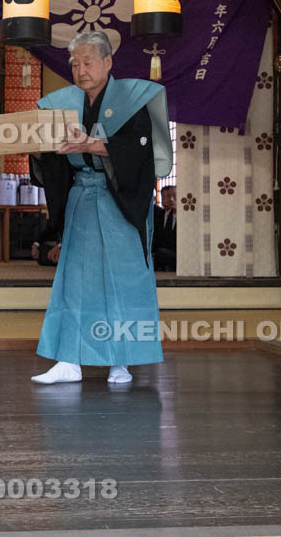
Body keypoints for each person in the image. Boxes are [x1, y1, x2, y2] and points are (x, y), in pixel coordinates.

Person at [29, 30, 173, 385]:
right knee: (74, 279)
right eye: (75, 63)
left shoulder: (132, 99)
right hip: (82, 196)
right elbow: (52, 158)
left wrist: (94, 145)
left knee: (123, 279)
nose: (80, 70)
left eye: (88, 62)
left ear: (108, 62)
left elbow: (139, 152)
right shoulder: (65, 102)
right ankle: (69, 360)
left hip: (120, 200)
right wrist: (40, 150)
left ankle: (120, 361)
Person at [152, 185, 177, 272]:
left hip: (179, 254)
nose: (170, 199)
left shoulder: (185, 217)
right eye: (168, 196)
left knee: (160, 253)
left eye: (174, 196)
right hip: (164, 251)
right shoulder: (167, 215)